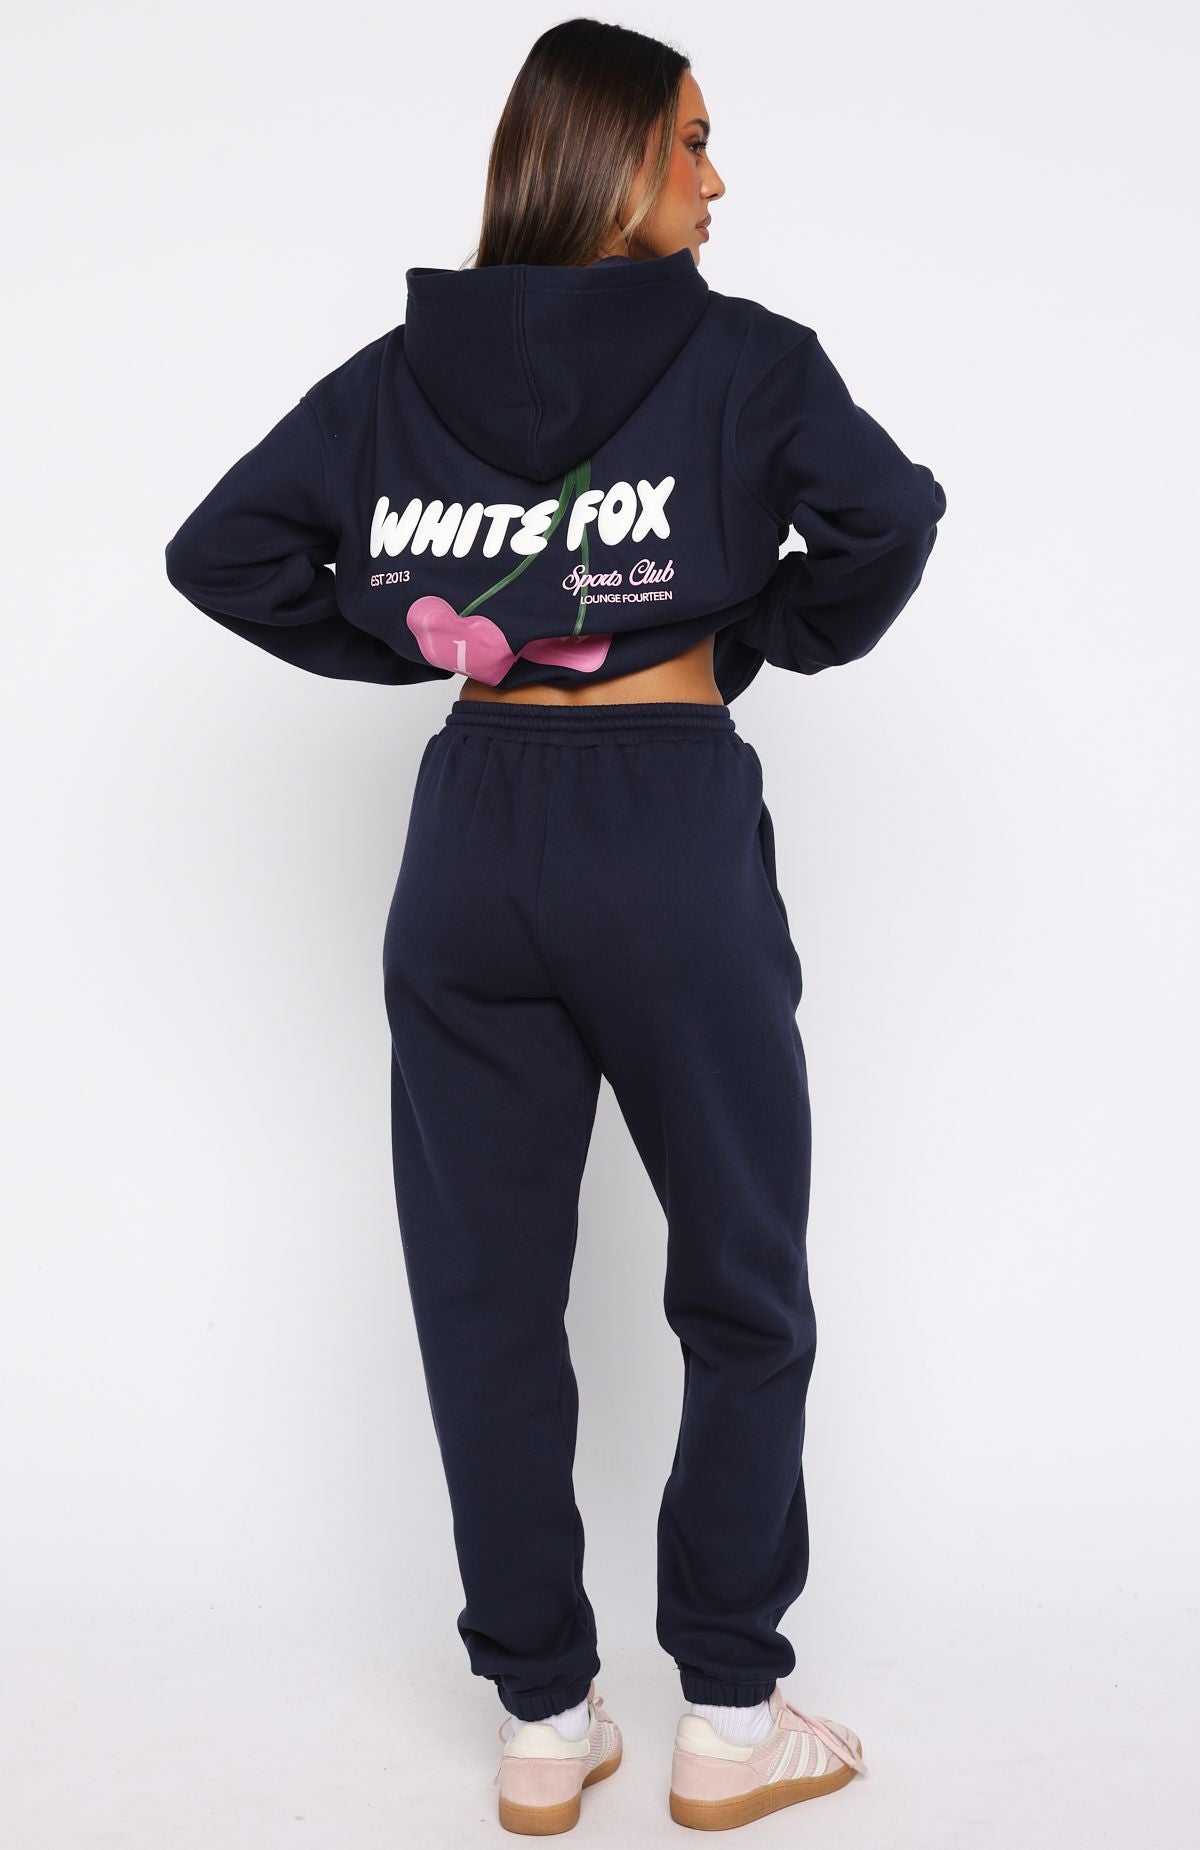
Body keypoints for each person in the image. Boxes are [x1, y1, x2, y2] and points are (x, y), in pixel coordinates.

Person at [163, 18, 946, 1837]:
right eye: (693, 141)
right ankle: (728, 1715)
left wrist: (434, 640)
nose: (718, 178)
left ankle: (541, 1716)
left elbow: (223, 551)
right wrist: (748, 635)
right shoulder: (746, 358)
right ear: (613, 163)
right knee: (741, 1274)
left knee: (484, 1295)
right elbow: (890, 519)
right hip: (664, 819)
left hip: (470, 830)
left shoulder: (398, 376)